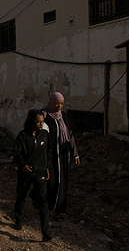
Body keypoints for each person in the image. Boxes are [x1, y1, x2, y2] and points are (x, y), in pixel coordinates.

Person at [13, 109, 53, 242]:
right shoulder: (23, 136)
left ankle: (45, 232)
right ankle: (18, 220)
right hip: (26, 172)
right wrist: (23, 165)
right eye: (38, 122)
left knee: (43, 201)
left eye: (42, 121)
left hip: (40, 172)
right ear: (31, 122)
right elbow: (16, 153)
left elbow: (48, 152)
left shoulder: (45, 135)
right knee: (21, 196)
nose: (40, 124)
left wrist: (46, 166)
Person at [42, 92, 80, 219]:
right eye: (56, 103)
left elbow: (69, 135)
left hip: (63, 155)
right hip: (49, 154)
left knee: (62, 182)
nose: (59, 106)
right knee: (50, 181)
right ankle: (47, 205)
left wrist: (75, 154)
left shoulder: (63, 116)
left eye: (61, 104)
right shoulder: (44, 116)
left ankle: (59, 209)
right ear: (51, 102)